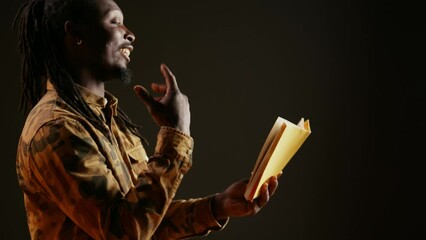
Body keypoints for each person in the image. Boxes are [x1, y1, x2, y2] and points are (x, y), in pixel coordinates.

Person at [14, 0, 280, 239]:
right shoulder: (56, 129)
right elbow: (125, 232)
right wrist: (175, 135)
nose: (130, 34)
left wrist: (218, 206)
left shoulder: (109, 120)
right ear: (76, 33)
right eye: (115, 21)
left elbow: (144, 218)